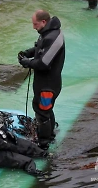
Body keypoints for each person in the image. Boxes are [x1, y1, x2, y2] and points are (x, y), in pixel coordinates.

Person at [17, 10, 65, 150]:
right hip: (44, 83)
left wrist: (27, 62)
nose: (34, 27)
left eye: (35, 24)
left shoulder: (53, 37)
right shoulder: (48, 33)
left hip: (48, 86)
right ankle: (50, 135)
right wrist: (28, 53)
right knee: (45, 110)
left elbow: (44, 63)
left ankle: (43, 144)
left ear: (44, 22)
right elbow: (41, 47)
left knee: (43, 113)